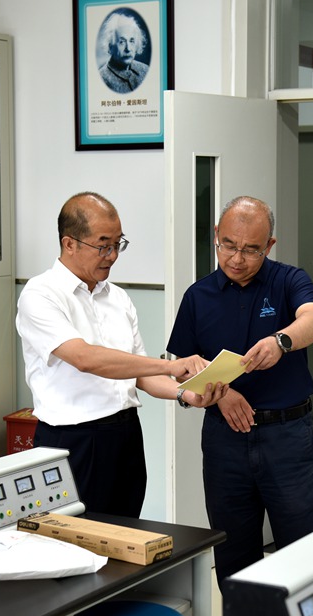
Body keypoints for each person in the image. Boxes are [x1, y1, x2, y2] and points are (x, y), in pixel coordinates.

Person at [16, 192, 224, 518]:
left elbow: (140, 375)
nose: (112, 256)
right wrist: (172, 365)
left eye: (118, 244)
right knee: (74, 539)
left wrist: (185, 394)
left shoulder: (118, 298)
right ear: (69, 244)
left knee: (126, 532)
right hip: (73, 440)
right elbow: (86, 359)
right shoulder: (40, 294)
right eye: (103, 246)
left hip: (125, 434)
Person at [167, 196, 313, 588]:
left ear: (269, 245)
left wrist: (281, 341)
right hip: (225, 441)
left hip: (285, 436)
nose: (237, 259)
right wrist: (220, 393)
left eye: (251, 250)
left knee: (302, 552)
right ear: (216, 236)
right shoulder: (197, 296)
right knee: (233, 553)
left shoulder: (289, 281)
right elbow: (180, 368)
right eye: (228, 245)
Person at [97, 11, 149, 93]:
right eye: (122, 42)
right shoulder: (101, 79)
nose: (128, 48)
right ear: (110, 47)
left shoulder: (145, 70)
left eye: (131, 41)